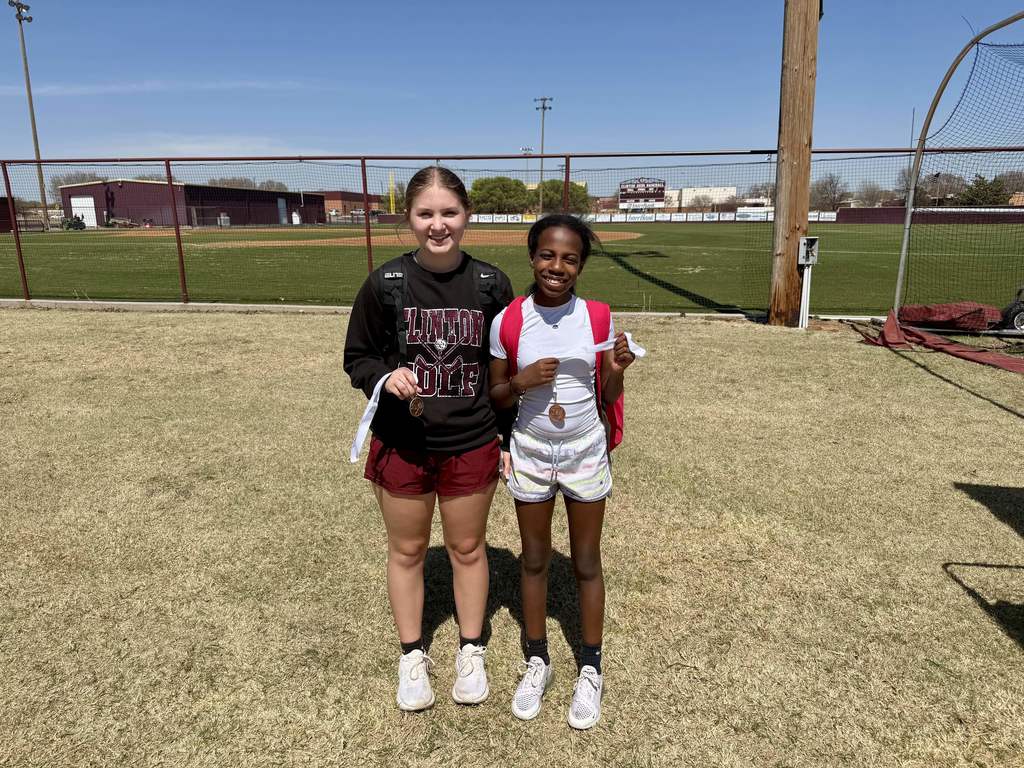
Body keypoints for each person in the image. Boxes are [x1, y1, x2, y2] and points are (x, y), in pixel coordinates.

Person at [344, 166, 513, 711]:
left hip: (471, 440)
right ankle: (412, 655)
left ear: (467, 216)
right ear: (409, 219)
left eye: (449, 213)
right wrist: (382, 377)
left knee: (466, 548)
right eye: (425, 214)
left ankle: (471, 650)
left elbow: (502, 371)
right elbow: (358, 356)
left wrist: (507, 439)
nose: (438, 225)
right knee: (408, 549)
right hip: (403, 443)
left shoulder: (491, 284)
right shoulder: (385, 283)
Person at [489, 214, 637, 729]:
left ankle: (591, 668)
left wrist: (615, 374)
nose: (558, 266)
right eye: (548, 255)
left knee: (586, 561)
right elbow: (496, 393)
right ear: (532, 257)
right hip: (530, 448)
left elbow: (607, 396)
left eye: (570, 258)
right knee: (533, 561)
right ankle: (537, 660)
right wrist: (522, 380)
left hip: (583, 449)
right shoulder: (509, 319)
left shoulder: (597, 317)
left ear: (581, 265)